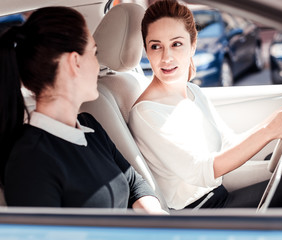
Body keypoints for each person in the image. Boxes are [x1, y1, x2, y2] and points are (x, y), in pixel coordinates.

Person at [128, 0, 282, 210]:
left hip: (220, 191)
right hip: (201, 210)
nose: (166, 57)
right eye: (156, 46)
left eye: (176, 44)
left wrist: (280, 116)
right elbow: (202, 171)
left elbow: (229, 143)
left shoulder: (192, 91)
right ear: (147, 51)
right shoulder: (147, 112)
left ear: (193, 45)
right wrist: (270, 130)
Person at [0, 6, 165, 214]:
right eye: (94, 53)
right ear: (74, 62)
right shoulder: (29, 162)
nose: (98, 66)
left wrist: (159, 223)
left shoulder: (90, 126)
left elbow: (134, 183)